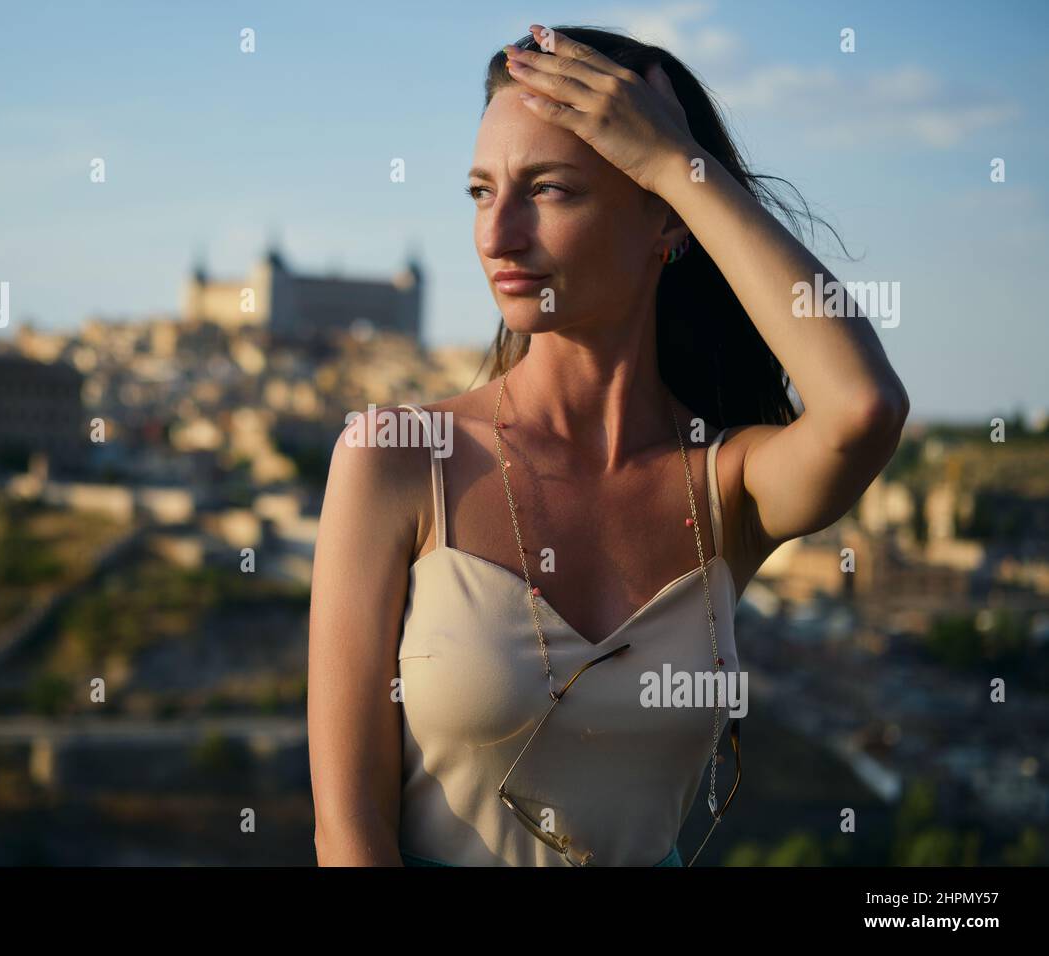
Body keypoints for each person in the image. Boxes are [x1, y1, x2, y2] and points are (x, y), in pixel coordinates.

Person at [308, 24, 908, 866]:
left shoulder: (724, 486)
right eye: (482, 192)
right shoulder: (398, 458)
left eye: (549, 190)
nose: (497, 235)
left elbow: (863, 408)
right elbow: (347, 829)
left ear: (665, 218)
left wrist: (677, 165)